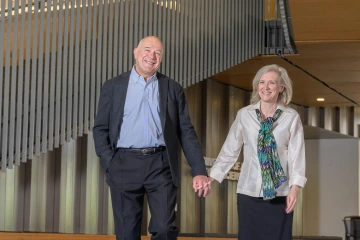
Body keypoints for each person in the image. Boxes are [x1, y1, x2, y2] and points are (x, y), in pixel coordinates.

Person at [93, 36, 210, 240]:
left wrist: (199, 171)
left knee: (164, 229)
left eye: (158, 53)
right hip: (123, 164)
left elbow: (186, 131)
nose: (152, 56)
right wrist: (109, 162)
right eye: (147, 50)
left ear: (161, 58)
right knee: (127, 233)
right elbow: (100, 128)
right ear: (135, 52)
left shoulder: (172, 88)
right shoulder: (113, 87)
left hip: (160, 165)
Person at [207, 64, 307, 240]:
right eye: (262, 82)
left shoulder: (291, 117)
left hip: (279, 193)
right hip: (248, 192)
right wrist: (212, 177)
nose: (265, 87)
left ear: (281, 87)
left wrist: (295, 189)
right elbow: (230, 149)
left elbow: (296, 156)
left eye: (271, 83)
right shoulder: (244, 114)